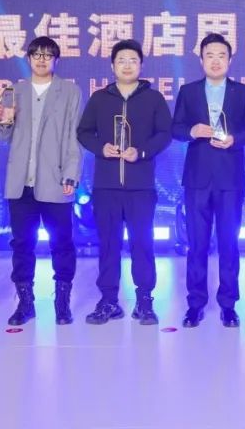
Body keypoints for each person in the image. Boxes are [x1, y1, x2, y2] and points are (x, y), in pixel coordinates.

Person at [77, 39, 173, 326]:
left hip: (140, 186)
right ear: (112, 66)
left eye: (133, 60)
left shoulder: (153, 99)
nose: (127, 65)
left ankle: (144, 300)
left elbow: (165, 133)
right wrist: (101, 148)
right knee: (108, 244)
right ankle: (109, 301)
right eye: (121, 60)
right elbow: (84, 132)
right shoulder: (100, 98)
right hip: (106, 186)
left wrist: (141, 152)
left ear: (141, 65)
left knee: (142, 243)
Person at [171, 33, 245, 329]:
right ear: (201, 60)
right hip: (197, 178)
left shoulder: (243, 92)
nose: (215, 60)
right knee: (196, 244)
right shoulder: (188, 91)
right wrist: (192, 131)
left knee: (228, 243)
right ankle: (195, 304)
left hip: (230, 178)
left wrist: (234, 139)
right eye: (209, 55)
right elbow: (176, 128)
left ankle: (228, 305)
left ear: (230, 60)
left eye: (221, 55)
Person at [0, 36, 81, 326]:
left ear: (56, 60)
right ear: (29, 58)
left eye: (47, 55)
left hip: (55, 178)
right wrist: (5, 120)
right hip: (21, 182)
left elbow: (74, 136)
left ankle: (62, 302)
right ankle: (25, 302)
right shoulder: (14, 90)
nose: (42, 60)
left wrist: (71, 173)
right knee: (22, 243)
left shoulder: (69, 91)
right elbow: (4, 136)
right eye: (36, 55)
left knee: (62, 242)